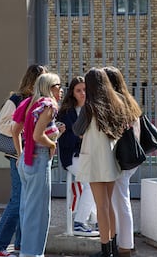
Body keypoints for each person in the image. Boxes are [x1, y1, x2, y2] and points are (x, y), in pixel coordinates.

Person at [0, 64, 47, 257]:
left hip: (31, 154)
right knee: (18, 200)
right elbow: (3, 124)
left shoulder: (40, 100)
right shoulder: (17, 99)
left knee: (27, 201)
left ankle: (21, 245)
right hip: (18, 155)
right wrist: (23, 130)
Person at [73, 67, 128, 257]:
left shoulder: (89, 106)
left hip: (95, 159)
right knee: (108, 205)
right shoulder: (117, 102)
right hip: (111, 158)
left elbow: (77, 129)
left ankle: (105, 249)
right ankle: (112, 247)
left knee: (101, 205)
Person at [12, 72, 64, 257]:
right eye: (58, 85)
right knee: (39, 213)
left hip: (26, 159)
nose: (61, 89)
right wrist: (52, 144)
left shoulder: (29, 103)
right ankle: (32, 254)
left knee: (28, 210)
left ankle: (27, 252)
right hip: (38, 159)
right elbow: (38, 136)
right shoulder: (48, 105)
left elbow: (14, 130)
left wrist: (20, 154)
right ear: (50, 87)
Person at [103, 66, 142, 257]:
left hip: (120, 160)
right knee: (120, 199)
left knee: (120, 200)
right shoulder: (129, 100)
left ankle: (125, 245)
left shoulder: (115, 102)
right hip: (130, 159)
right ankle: (124, 243)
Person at [57, 76, 99, 237]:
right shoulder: (66, 113)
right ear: (72, 93)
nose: (82, 93)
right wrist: (81, 137)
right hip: (73, 157)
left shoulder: (93, 110)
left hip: (91, 156)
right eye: (78, 90)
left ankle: (94, 219)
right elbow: (64, 140)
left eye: (85, 90)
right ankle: (80, 222)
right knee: (91, 181)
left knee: (99, 181)